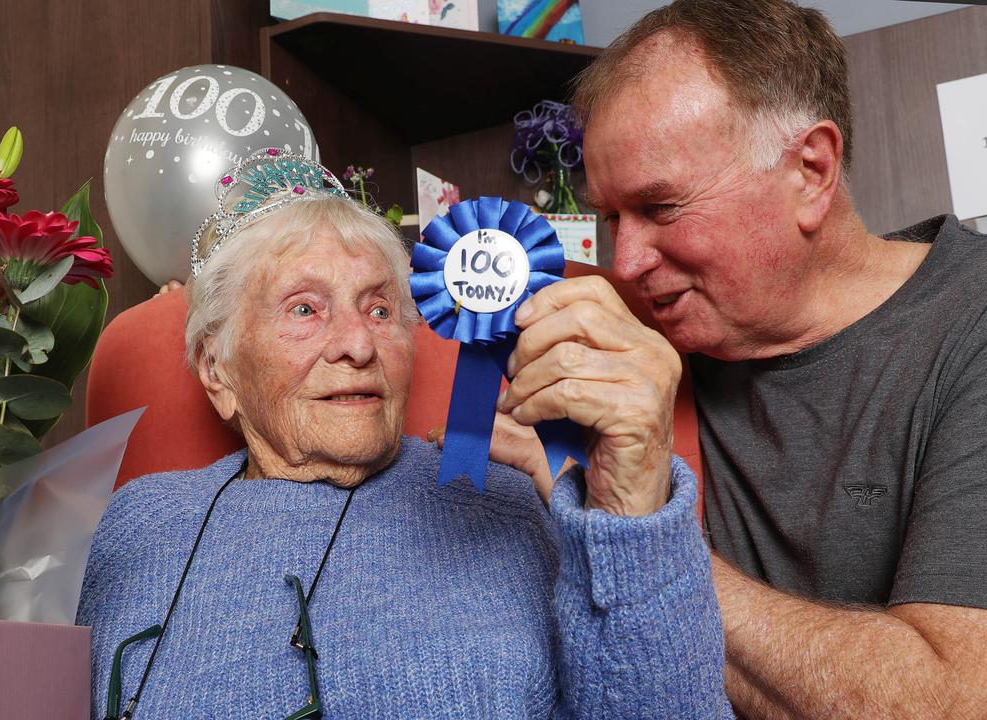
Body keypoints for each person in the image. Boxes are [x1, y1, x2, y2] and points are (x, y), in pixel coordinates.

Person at [74, 150, 731, 719]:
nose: (359, 344)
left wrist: (627, 515)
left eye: (381, 308)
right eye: (305, 308)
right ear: (217, 370)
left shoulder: (505, 503)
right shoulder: (138, 524)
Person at [495, 0, 987, 716]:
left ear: (811, 171)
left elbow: (952, 700)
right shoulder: (625, 338)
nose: (625, 261)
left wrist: (639, 528)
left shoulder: (970, 324)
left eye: (661, 208)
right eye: (610, 218)